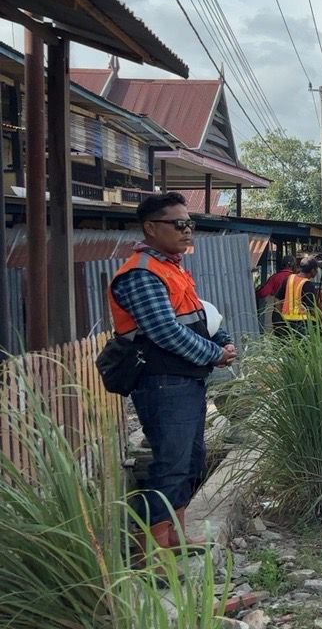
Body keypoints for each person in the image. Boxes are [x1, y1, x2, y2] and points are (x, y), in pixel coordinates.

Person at [108, 192, 236, 551]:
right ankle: (149, 549)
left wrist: (221, 341)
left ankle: (175, 535)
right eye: (178, 224)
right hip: (162, 382)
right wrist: (215, 354)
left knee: (190, 460)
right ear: (150, 228)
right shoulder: (140, 274)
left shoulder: (171, 268)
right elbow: (165, 332)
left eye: (189, 223)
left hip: (185, 379)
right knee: (170, 464)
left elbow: (199, 314)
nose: (187, 230)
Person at [275, 256, 321, 335]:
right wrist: (321, 322)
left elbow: (277, 300)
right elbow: (312, 309)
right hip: (303, 325)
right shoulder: (308, 285)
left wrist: (281, 317)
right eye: (316, 269)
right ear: (312, 270)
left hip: (286, 324)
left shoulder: (288, 279)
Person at [255, 256, 294, 332]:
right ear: (293, 266)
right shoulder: (296, 279)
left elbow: (263, 293)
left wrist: (256, 293)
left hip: (277, 310)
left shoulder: (275, 277)